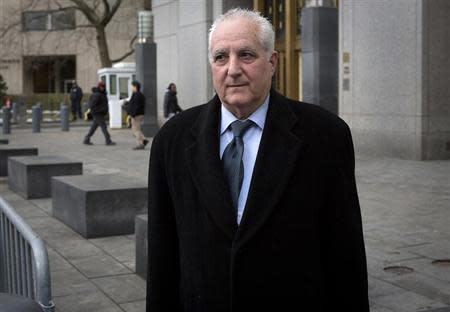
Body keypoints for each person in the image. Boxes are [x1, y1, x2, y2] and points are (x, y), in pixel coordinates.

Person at [147, 8, 369, 312]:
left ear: (272, 62)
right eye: (221, 57)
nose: (233, 69)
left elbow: (345, 255)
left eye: (247, 55)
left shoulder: (326, 137)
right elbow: (162, 255)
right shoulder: (172, 139)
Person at [83, 81, 115, 146]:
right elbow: (92, 105)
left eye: (103, 86)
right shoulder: (97, 95)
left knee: (93, 127)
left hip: (100, 113)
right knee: (104, 127)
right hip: (98, 113)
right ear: (99, 87)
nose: (103, 88)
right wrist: (97, 111)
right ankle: (108, 140)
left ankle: (86, 139)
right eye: (101, 86)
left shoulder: (102, 94)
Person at [128, 80, 149, 150]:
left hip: (136, 115)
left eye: (132, 87)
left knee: (135, 130)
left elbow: (136, 106)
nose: (131, 88)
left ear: (135, 87)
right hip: (139, 114)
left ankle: (142, 142)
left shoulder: (137, 95)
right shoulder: (139, 94)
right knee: (137, 129)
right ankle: (143, 141)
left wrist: (132, 114)